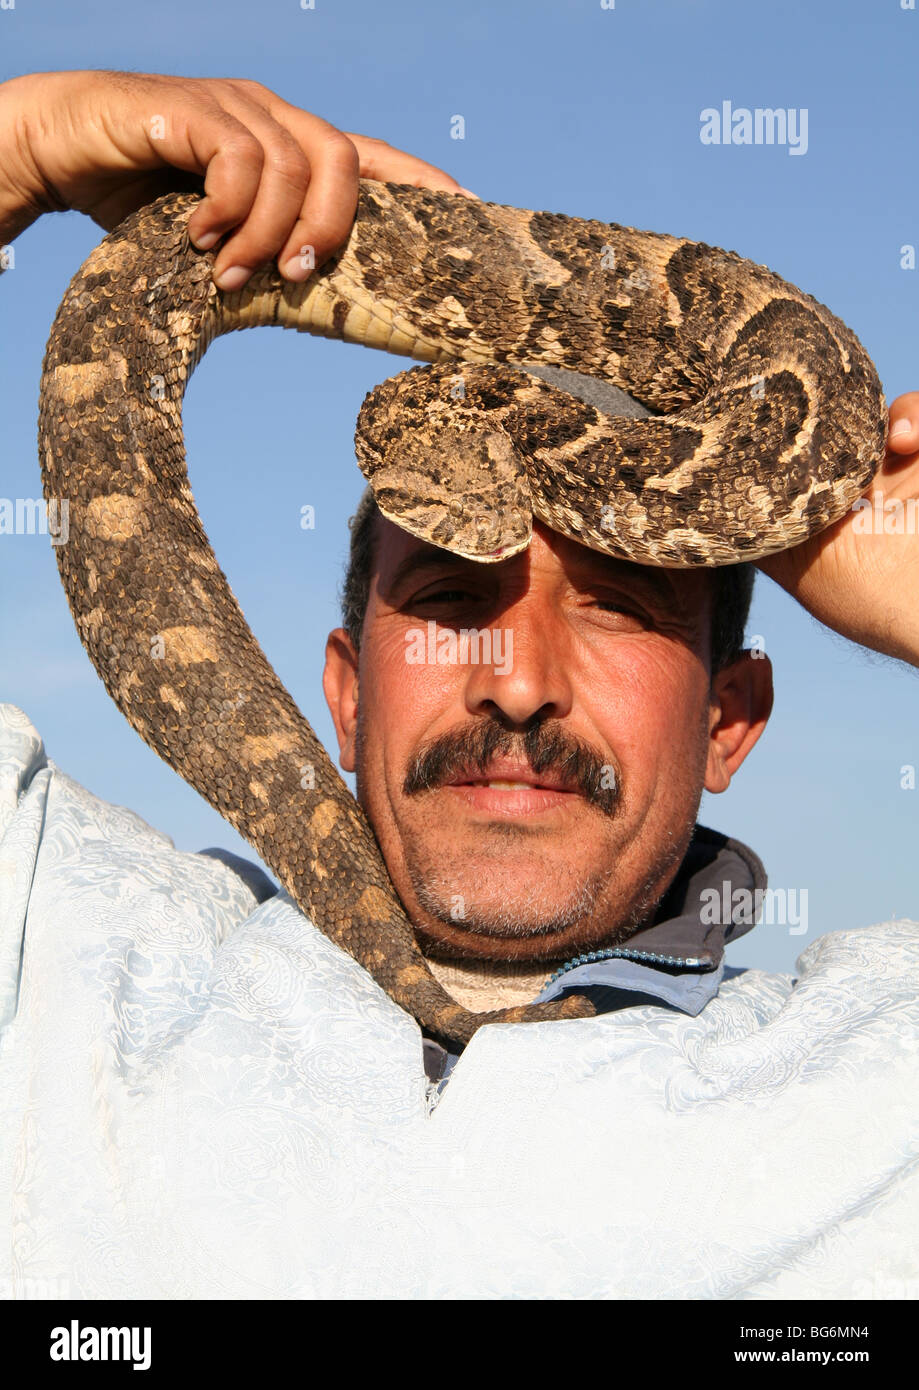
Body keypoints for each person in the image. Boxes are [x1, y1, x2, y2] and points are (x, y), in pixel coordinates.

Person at [1, 69, 918, 1300]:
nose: (519, 682)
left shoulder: (873, 1078)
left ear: (729, 720)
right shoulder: (63, 945)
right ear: (342, 690)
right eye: (446, 600)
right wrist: (13, 154)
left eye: (616, 607)